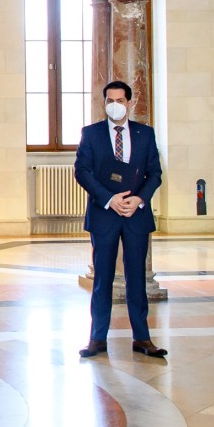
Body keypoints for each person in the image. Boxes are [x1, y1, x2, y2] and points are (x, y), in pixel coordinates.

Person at [74, 81, 166, 358]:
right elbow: (82, 171)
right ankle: (97, 338)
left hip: (135, 215)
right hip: (105, 214)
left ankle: (142, 338)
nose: (115, 104)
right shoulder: (90, 134)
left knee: (136, 276)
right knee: (102, 277)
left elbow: (155, 173)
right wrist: (109, 199)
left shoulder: (145, 134)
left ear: (129, 102)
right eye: (110, 100)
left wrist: (139, 199)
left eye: (120, 100)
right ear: (104, 103)